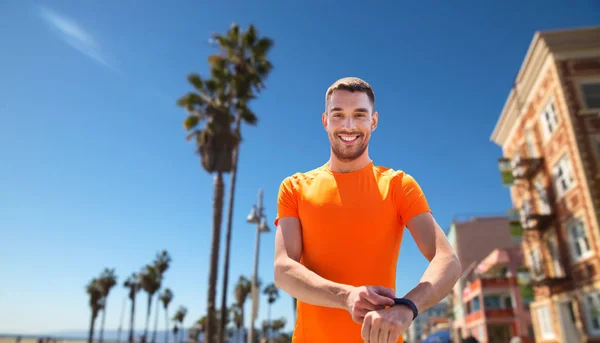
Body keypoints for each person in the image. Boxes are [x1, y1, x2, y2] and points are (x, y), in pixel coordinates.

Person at [273, 77, 462, 343]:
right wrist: (346, 296)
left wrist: (406, 307)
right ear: (325, 121)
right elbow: (283, 269)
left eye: (359, 115)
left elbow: (448, 261)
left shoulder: (399, 185)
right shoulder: (294, 187)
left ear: (373, 121)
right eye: (338, 115)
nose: (348, 125)